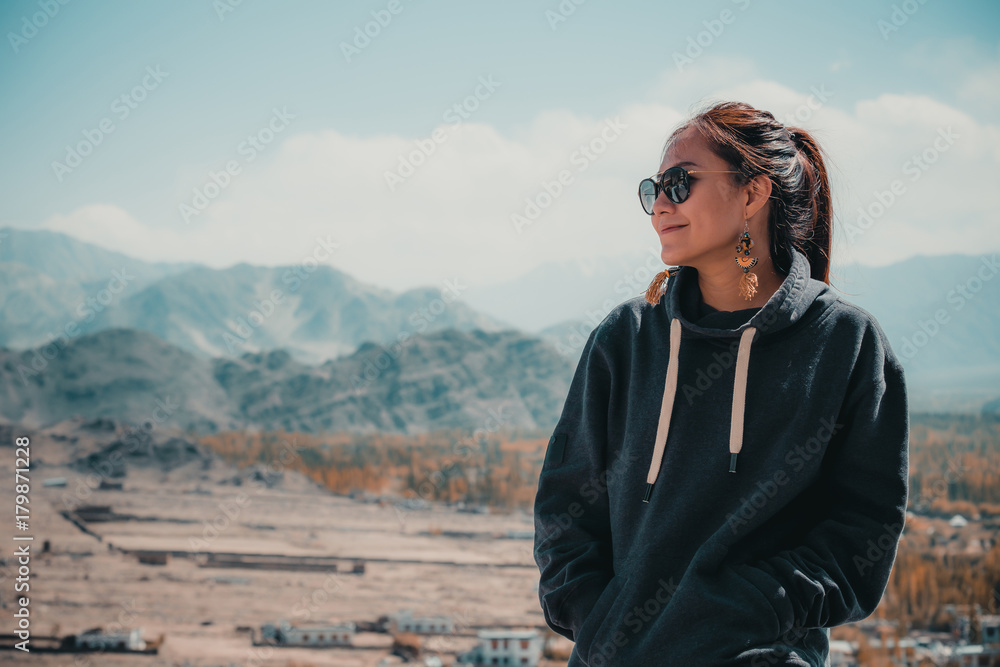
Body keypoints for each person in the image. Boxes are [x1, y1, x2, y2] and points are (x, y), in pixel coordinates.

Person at [532, 100, 909, 666]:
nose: (659, 204)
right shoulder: (627, 339)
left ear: (753, 194)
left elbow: (862, 535)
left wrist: (743, 613)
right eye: (652, 188)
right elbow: (565, 509)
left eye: (680, 183)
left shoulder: (844, 345)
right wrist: (603, 620)